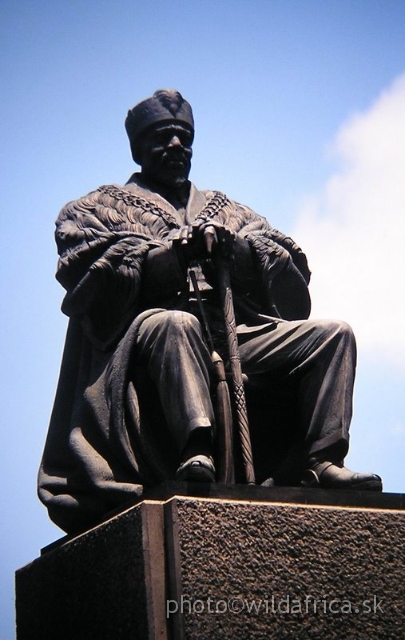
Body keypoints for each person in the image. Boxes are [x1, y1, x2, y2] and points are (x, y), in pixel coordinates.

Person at [38, 90, 382, 534]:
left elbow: (289, 270)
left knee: (334, 334)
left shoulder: (230, 210)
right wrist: (164, 259)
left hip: (234, 333)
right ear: (140, 149)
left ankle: (324, 459)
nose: (177, 146)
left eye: (184, 137)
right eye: (164, 137)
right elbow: (87, 279)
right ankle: (196, 447)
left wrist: (241, 252)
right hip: (148, 342)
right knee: (175, 324)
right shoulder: (95, 208)